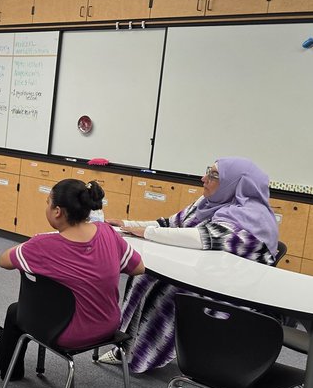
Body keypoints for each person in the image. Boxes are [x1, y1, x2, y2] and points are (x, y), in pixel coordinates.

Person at [108, 156, 280, 373]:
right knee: (144, 273)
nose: (203, 178)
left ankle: (142, 353)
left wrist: (146, 232)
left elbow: (203, 237)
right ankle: (128, 346)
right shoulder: (207, 203)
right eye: (208, 171)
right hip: (200, 276)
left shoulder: (253, 219)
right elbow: (171, 224)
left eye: (214, 175)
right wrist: (128, 224)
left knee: (164, 288)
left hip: (227, 295)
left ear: (236, 184)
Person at [0, 179, 145, 380]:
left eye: (48, 202)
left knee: (16, 311)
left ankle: (8, 364)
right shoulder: (107, 232)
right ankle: (1, 339)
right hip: (108, 327)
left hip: (69, 334)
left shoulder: (42, 245)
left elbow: (3, 261)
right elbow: (138, 268)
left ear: (57, 211)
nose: (46, 206)